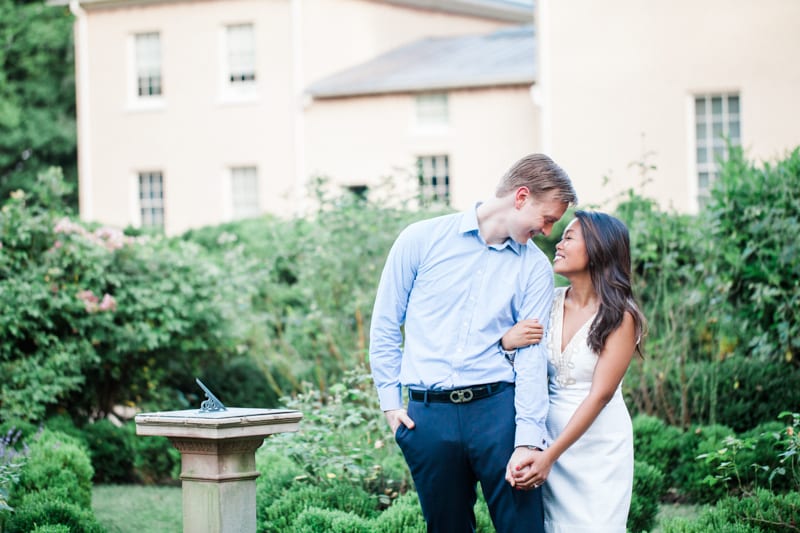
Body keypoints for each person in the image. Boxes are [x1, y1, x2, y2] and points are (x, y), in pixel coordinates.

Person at [369, 153, 578, 533]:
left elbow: (531, 356)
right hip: (427, 419)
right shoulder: (420, 239)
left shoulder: (534, 267)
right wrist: (389, 402)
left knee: (524, 528)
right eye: (547, 218)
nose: (548, 231)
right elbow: (385, 322)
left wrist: (528, 439)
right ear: (521, 197)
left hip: (499, 415)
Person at [503, 210, 646, 532]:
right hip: (545, 433)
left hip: (598, 444)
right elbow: (522, 366)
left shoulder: (621, 316)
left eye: (569, 237)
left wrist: (549, 457)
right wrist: (507, 342)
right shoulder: (547, 302)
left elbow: (601, 395)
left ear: (598, 248)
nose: (558, 244)